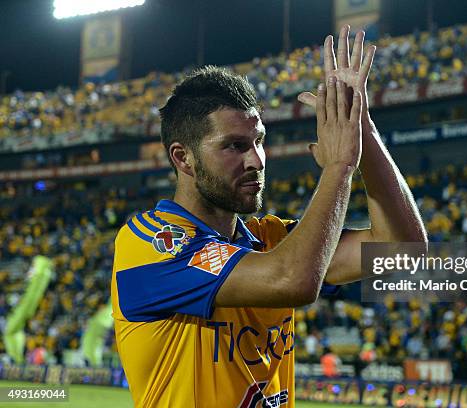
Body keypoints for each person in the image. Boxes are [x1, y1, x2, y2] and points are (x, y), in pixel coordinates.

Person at [111, 25, 426, 408]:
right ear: (183, 158)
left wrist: (361, 127)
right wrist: (341, 165)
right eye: (235, 146)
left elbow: (403, 250)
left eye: (259, 141)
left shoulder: (271, 240)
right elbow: (292, 280)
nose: (256, 161)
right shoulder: (149, 245)